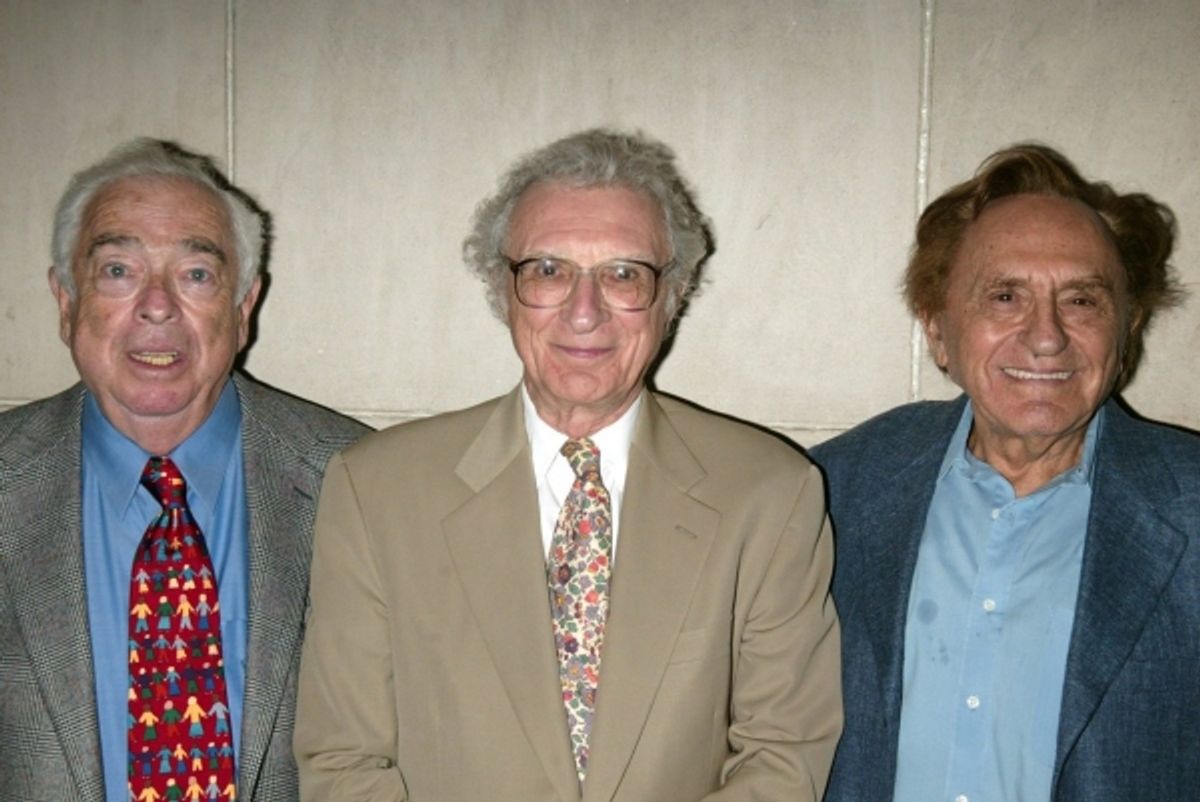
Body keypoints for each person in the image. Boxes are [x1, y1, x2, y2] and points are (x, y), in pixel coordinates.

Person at [295, 128, 842, 801]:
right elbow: (342, 760)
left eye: (622, 274)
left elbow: (783, 757)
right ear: (504, 289)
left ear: (672, 297)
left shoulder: (770, 495)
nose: (585, 313)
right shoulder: (375, 490)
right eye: (549, 270)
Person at [813, 143, 1199, 802]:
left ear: (1126, 331)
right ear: (938, 329)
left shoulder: (1188, 508)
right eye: (1004, 296)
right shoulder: (832, 491)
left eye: (1082, 300)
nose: (1045, 335)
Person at [0, 138, 368, 802]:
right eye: (118, 269)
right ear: (64, 301)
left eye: (196, 274)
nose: (158, 305)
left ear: (243, 306)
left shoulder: (362, 483)